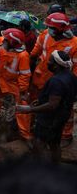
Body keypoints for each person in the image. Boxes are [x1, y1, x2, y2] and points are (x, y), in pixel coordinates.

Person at [17, 50, 77, 163]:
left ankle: (39, 170)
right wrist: (41, 101)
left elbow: (52, 105)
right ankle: (55, 168)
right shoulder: (71, 76)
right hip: (62, 116)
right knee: (55, 143)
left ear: (56, 65)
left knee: (39, 143)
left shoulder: (56, 81)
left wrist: (30, 109)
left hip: (50, 119)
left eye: (50, 61)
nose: (48, 62)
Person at [30, 12, 77, 145]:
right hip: (41, 78)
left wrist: (72, 88)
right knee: (39, 104)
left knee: (64, 109)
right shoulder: (45, 35)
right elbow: (34, 54)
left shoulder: (74, 44)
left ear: (61, 29)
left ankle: (65, 135)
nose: (49, 29)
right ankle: (37, 128)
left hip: (61, 84)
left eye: (52, 27)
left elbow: (76, 69)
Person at [0, 28, 31, 141]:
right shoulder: (1, 42)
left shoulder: (23, 55)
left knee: (21, 106)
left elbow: (24, 75)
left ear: (12, 42)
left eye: (6, 40)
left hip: (13, 84)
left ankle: (24, 134)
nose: (3, 42)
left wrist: (22, 91)